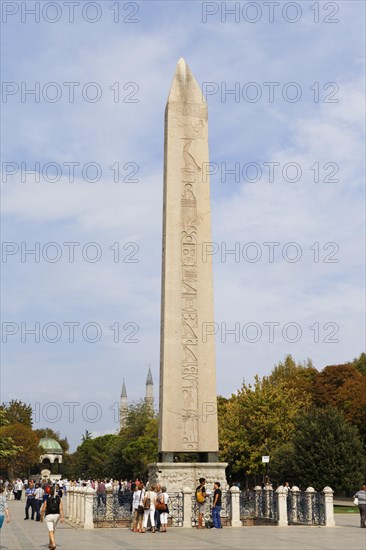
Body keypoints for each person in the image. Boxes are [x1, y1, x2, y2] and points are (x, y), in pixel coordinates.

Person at [40, 486, 64, 550]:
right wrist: (62, 517)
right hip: (57, 515)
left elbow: (43, 509)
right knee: (52, 529)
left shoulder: (47, 499)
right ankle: (50, 543)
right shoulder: (59, 499)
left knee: (50, 530)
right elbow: (61, 508)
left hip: (48, 516)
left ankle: (53, 543)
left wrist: (41, 516)